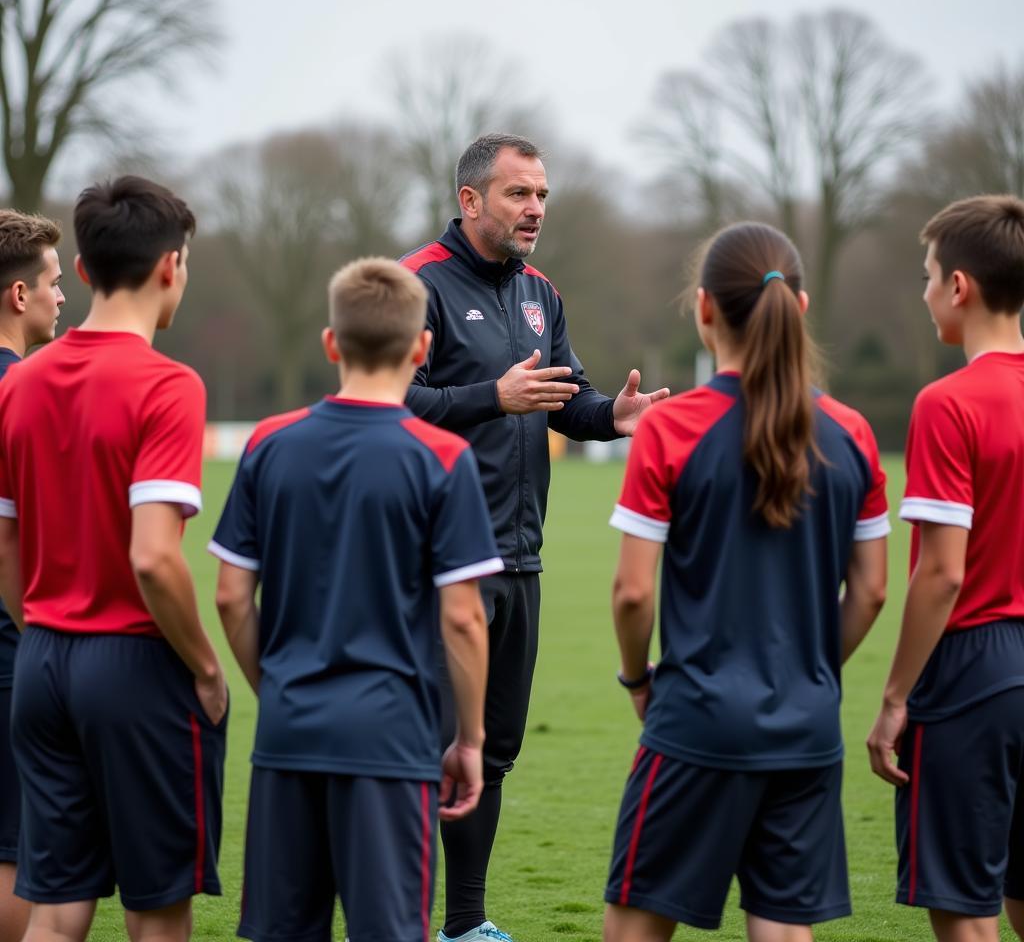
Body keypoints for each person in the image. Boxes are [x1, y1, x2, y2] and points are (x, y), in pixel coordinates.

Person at [400, 133, 669, 942]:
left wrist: (611, 420)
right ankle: (399, 916)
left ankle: (465, 924)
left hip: (522, 558)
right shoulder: (419, 286)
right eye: (519, 194)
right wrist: (491, 395)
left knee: (496, 752)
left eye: (543, 195)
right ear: (471, 200)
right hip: (441, 562)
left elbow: (564, 399)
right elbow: (390, 403)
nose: (536, 210)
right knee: (433, 751)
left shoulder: (540, 294)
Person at [603, 222, 890, 942]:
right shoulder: (853, 433)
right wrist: (812, 668)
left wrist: (638, 681)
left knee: (636, 925)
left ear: (703, 309)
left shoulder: (668, 430)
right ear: (800, 306)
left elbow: (633, 593)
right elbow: (874, 591)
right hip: (809, 728)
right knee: (785, 931)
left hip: (695, 722)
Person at [210, 258, 496, 942]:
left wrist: (277, 687)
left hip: (287, 734)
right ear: (423, 347)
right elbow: (462, 616)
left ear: (330, 344)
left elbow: (229, 598)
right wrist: (471, 739)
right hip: (391, 739)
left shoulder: (268, 443)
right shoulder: (442, 456)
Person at [0, 176, 227, 942]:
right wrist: (203, 664)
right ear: (171, 266)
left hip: (40, 665)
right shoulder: (169, 386)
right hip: (132, 667)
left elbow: (4, 540)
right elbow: (156, 559)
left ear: (87, 271)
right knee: (156, 910)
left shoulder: (20, 382)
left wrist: (37, 629)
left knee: (58, 911)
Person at [867, 195, 1024, 942]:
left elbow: (942, 575)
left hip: (975, 669)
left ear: (959, 286)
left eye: (928, 275)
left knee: (964, 909)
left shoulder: (948, 403)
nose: (925, 290)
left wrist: (896, 698)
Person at [0, 209, 65, 942]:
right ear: (19, 296)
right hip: (13, 651)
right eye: (52, 283)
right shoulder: (24, 392)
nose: (60, 296)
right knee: (16, 853)